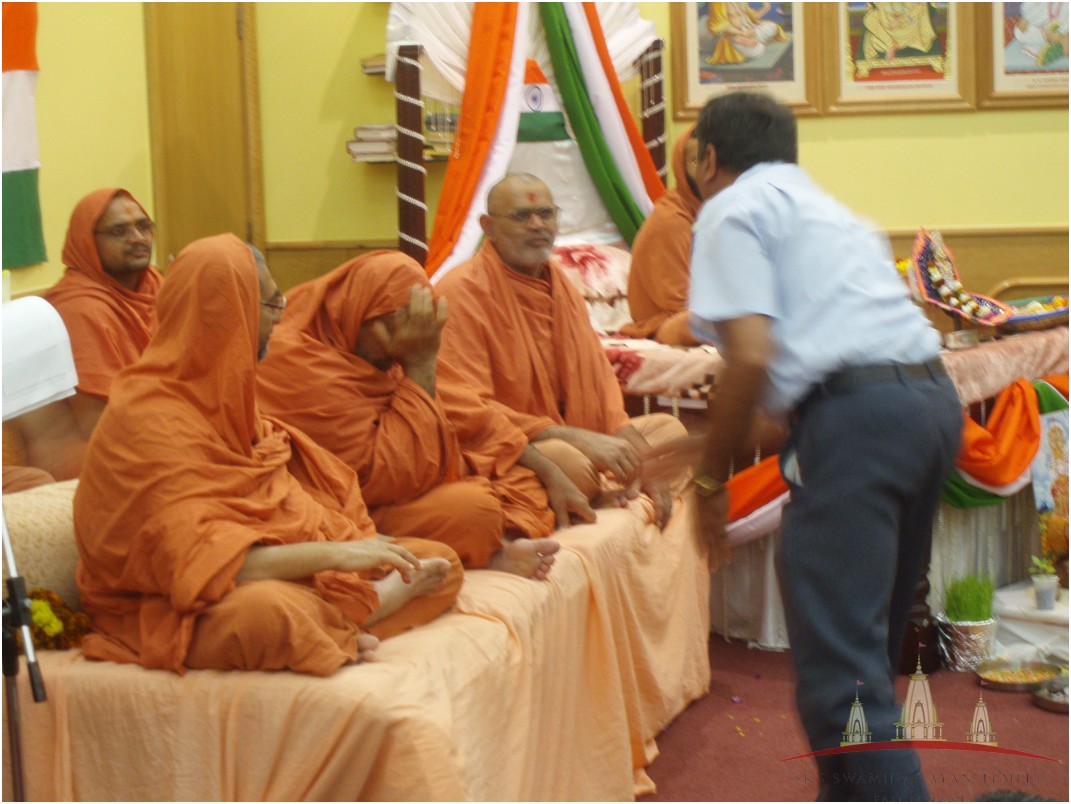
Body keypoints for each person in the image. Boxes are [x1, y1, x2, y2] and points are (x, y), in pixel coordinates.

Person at [650, 92, 961, 801]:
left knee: (840, 682)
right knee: (861, 663)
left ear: (706, 158)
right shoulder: (831, 213)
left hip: (862, 423)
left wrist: (706, 482)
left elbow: (751, 359)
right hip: (926, 406)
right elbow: (809, 388)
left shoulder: (730, 207)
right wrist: (704, 446)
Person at [74, 234, 462, 677]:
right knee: (271, 615)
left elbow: (280, 504)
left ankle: (343, 618)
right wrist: (337, 555)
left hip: (277, 570)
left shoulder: (226, 395)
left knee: (441, 560)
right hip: (168, 602)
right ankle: (353, 616)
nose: (278, 322)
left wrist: (342, 546)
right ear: (229, 313)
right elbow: (199, 564)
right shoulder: (148, 417)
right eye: (270, 306)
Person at [256, 251, 566, 580]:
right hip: (347, 504)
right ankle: (480, 553)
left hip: (405, 482)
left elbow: (470, 412)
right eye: (391, 332)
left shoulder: (392, 344)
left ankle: (480, 547)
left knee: (546, 471)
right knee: (474, 511)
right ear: (358, 311)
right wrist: (418, 362)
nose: (398, 347)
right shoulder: (293, 358)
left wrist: (548, 467)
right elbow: (387, 480)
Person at [435, 174, 686, 529]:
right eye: (521, 216)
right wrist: (570, 436)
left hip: (571, 434)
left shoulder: (561, 286)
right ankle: (584, 487)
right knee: (570, 464)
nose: (537, 225)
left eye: (546, 213)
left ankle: (606, 485)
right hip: (512, 448)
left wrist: (641, 457)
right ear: (488, 226)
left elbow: (600, 385)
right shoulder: (461, 292)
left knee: (668, 435)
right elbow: (469, 411)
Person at [4, 189, 162, 489]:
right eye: (120, 231)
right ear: (88, 241)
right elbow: (99, 424)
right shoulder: (79, 307)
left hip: (149, 428)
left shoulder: (155, 286)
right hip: (89, 448)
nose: (138, 238)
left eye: (143, 226)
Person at [621, 127, 702, 346]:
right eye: (697, 160)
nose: (708, 170)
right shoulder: (673, 219)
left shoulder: (715, 212)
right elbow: (679, 302)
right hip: (667, 321)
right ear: (681, 167)